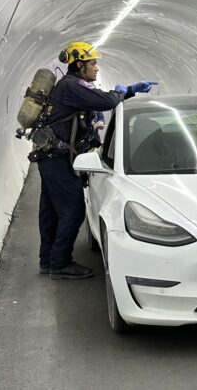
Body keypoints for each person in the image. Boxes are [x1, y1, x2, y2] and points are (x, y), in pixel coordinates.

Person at [36, 41, 157, 280]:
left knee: (50, 210)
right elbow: (108, 101)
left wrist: (129, 90)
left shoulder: (71, 86)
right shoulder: (71, 86)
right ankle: (60, 263)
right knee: (72, 210)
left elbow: (99, 100)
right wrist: (123, 91)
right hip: (57, 159)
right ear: (79, 64)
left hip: (52, 157)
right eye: (93, 63)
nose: (96, 68)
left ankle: (48, 260)